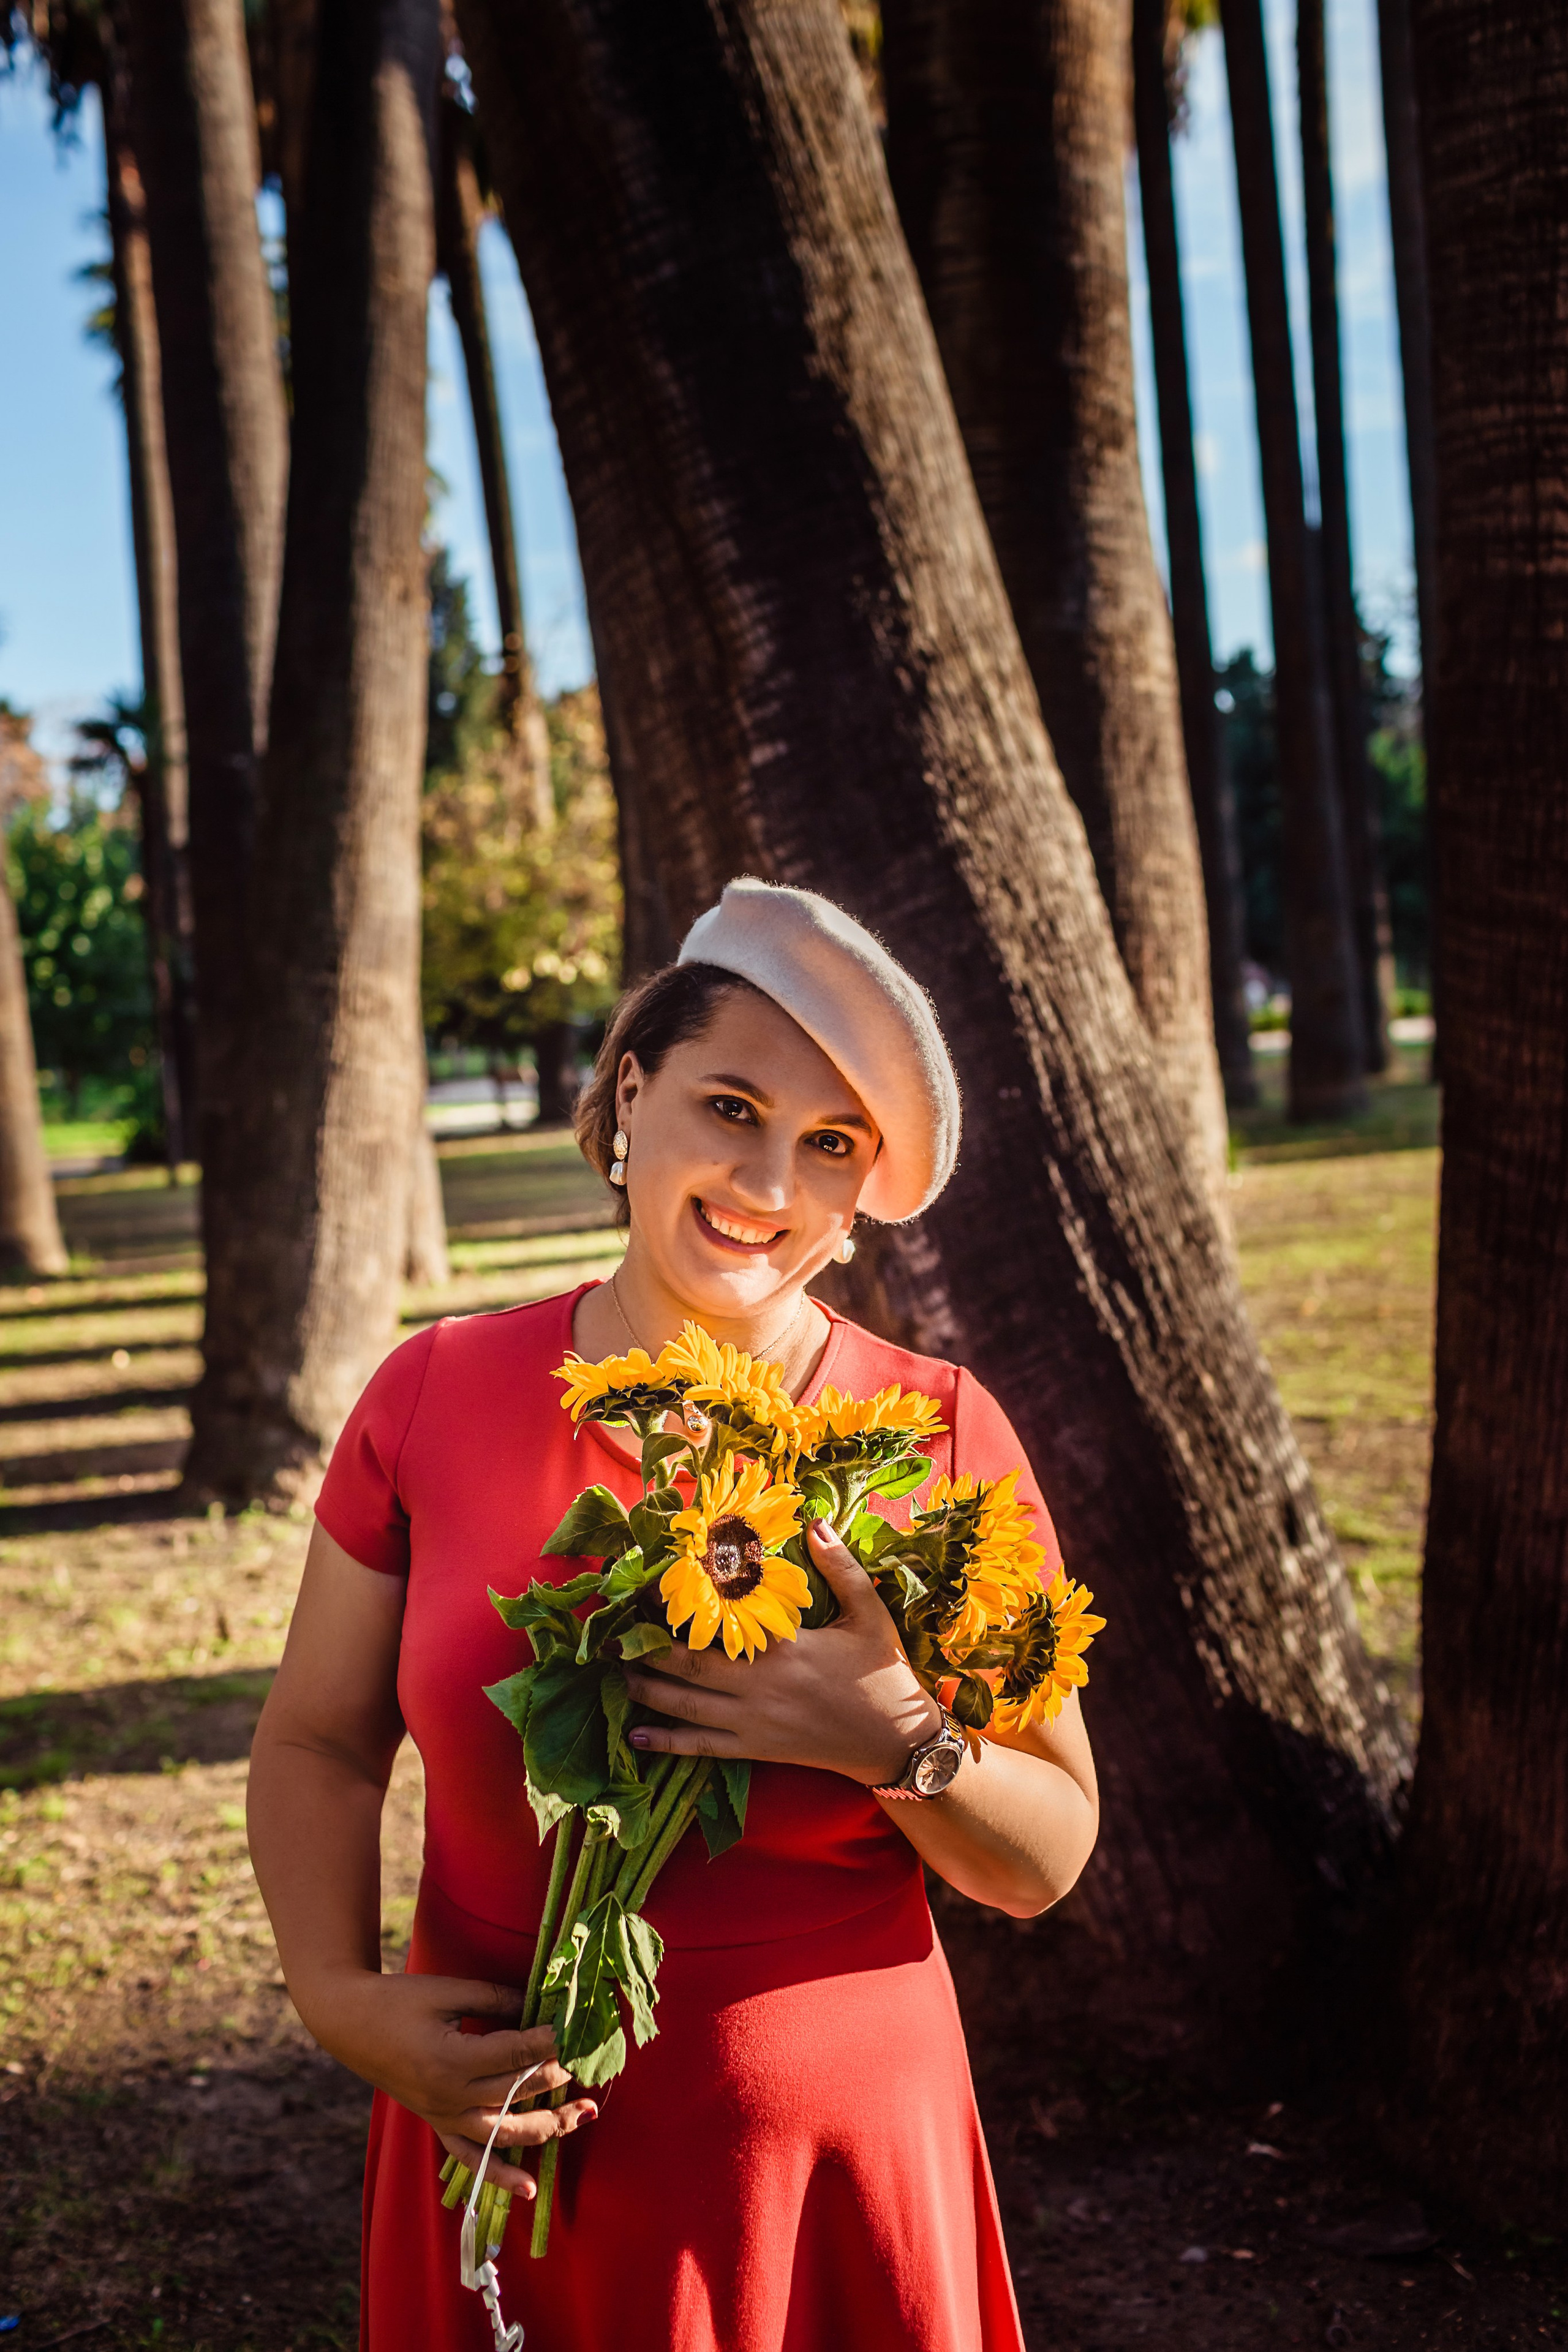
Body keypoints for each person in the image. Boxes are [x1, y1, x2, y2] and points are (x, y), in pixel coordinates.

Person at [247, 875, 1100, 2352]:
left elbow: (1044, 1860)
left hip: (831, 2168)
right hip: (501, 2128)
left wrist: (896, 1738)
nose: (767, 1181)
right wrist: (340, 1999)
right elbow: (321, 1743)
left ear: (855, 1202)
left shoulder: (939, 1440)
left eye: (828, 1145)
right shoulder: (434, 1393)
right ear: (631, 1094)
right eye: (730, 1106)